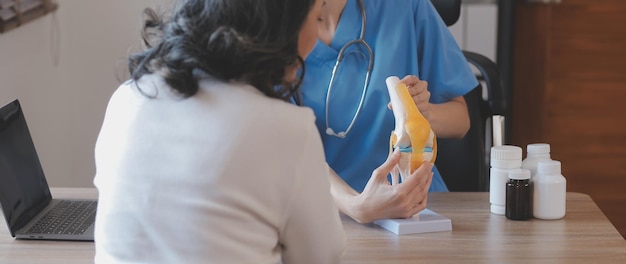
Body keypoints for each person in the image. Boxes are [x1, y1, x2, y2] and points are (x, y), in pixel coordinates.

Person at [93, 0, 347, 263]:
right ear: (283, 23)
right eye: (316, 19)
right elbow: (322, 255)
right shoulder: (286, 128)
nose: (317, 38)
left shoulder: (127, 99)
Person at [298, 0, 479, 223]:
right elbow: (288, 150)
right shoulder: (274, 27)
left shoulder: (406, 7)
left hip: (416, 204)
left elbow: (461, 121)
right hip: (327, 208)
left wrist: (422, 113)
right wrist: (356, 205)